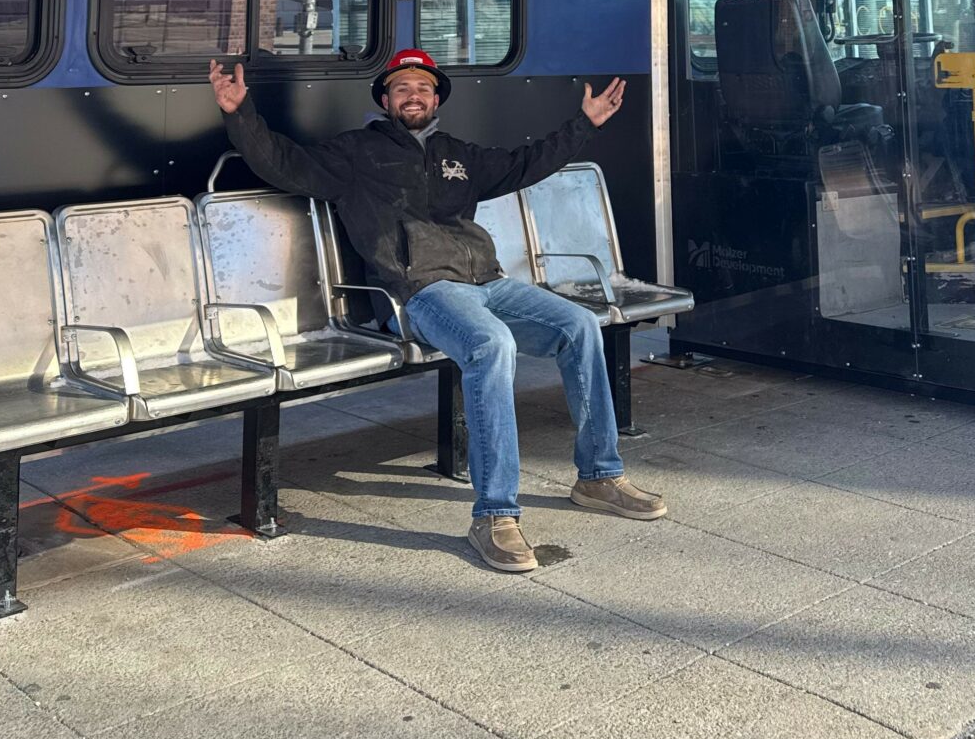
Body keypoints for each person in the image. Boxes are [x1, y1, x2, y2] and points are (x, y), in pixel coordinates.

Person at [208, 47, 667, 573]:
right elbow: (282, 163)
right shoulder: (356, 153)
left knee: (582, 325)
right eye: (401, 88)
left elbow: (525, 163)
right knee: (491, 345)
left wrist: (583, 125)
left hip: (489, 283)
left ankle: (599, 476)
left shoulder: (458, 156)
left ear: (436, 100)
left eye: (423, 88)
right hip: (421, 292)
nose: (413, 95)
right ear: (385, 100)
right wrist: (238, 113)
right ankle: (494, 515)